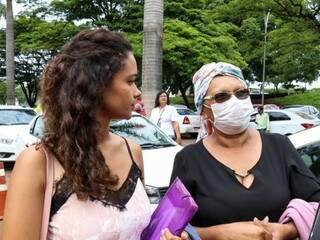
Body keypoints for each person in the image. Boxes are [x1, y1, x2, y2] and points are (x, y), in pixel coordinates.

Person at [2, 28, 187, 240]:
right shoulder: (37, 162)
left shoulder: (133, 151)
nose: (136, 92)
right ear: (95, 86)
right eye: (129, 81)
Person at [170, 62, 320, 240]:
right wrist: (220, 234)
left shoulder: (280, 146)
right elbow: (172, 228)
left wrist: (286, 230)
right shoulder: (189, 159)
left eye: (241, 93)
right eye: (221, 97)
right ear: (204, 110)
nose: (234, 101)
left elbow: (315, 205)